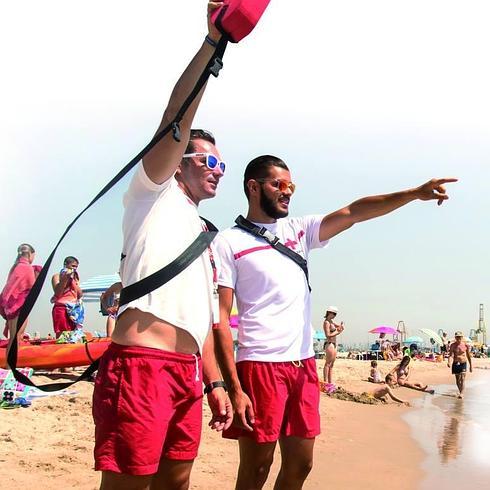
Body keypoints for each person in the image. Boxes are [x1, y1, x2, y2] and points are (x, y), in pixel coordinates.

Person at [213, 152, 456, 489]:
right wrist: (233, 387)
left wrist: (413, 193)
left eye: (291, 186)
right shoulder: (229, 241)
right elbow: (221, 320)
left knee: (301, 464)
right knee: (256, 468)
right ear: (253, 187)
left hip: (302, 367)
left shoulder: (298, 230)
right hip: (260, 365)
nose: (287, 191)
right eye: (278, 184)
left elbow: (354, 212)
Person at [92, 3, 235, 488]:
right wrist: (213, 44)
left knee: (176, 482)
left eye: (222, 166)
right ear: (179, 162)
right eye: (207, 161)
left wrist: (213, 382)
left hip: (187, 371)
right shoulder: (150, 194)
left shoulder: (204, 234)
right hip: (141, 366)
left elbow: (204, 318)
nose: (217, 171)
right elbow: (175, 119)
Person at [0, 244, 37, 353]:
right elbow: (32, 287)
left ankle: (9, 365)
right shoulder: (27, 268)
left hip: (10, 305)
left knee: (13, 336)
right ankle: (10, 366)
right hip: (19, 305)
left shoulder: (16, 267)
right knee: (16, 337)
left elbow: (8, 288)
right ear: (30, 254)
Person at [51, 256, 84, 338]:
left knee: (74, 336)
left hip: (74, 310)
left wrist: (74, 282)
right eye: (73, 266)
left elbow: (79, 295)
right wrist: (65, 279)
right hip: (61, 308)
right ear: (66, 265)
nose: (75, 269)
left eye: (76, 267)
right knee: (63, 336)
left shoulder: (75, 278)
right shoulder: (57, 276)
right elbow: (58, 293)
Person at [322, 306, 344, 388]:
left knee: (332, 364)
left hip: (334, 344)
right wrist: (337, 332)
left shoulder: (331, 322)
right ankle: (325, 382)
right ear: (329, 313)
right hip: (329, 343)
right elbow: (328, 335)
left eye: (335, 314)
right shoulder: (326, 322)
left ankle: (330, 382)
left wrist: (340, 327)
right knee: (327, 364)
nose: (335, 315)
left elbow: (338, 327)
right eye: (334, 313)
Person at [447, 331, 472, 398]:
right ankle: (461, 391)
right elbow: (450, 355)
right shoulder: (452, 345)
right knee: (458, 379)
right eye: (457, 337)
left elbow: (468, 356)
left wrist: (471, 366)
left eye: (459, 337)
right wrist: (449, 362)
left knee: (463, 378)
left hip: (463, 363)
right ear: (455, 337)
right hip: (455, 363)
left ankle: (462, 394)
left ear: (462, 337)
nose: (458, 338)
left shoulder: (465, 345)